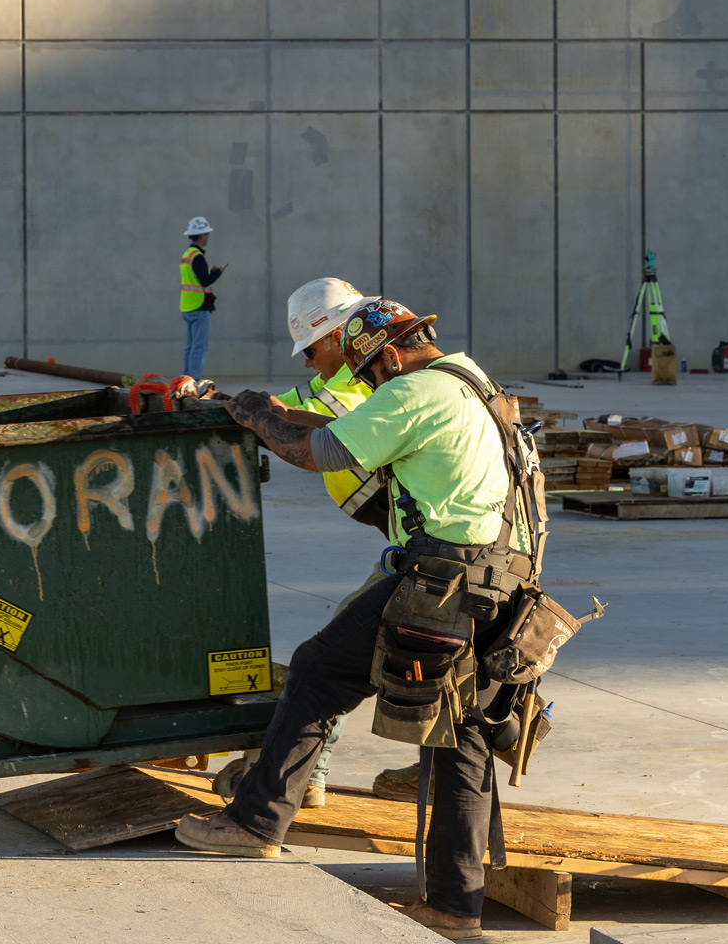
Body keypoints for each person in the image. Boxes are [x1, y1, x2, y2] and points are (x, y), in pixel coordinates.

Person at [175, 297, 525, 940]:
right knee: (461, 738)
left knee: (319, 670)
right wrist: (273, 412)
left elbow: (325, 452)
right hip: (503, 583)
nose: (367, 386)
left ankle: (254, 823)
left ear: (390, 354)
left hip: (442, 581)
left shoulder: (415, 390)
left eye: (368, 375)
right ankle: (455, 910)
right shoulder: (469, 380)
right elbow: (364, 428)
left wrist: (256, 418)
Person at [272, 277, 377, 808]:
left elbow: (318, 442)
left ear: (338, 335)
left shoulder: (384, 389)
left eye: (312, 349)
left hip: (445, 546)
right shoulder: (346, 382)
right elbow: (281, 409)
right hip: (421, 538)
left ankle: (306, 778)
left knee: (331, 659)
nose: (309, 361)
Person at [178, 216, 225, 380]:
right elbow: (205, 281)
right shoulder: (197, 256)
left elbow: (195, 279)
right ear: (202, 235)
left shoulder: (187, 255)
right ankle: (193, 380)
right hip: (199, 307)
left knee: (190, 347)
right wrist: (217, 272)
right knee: (199, 347)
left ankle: (185, 379)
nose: (208, 238)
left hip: (188, 306)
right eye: (207, 234)